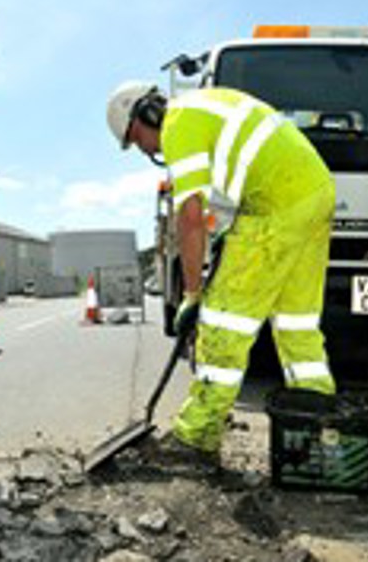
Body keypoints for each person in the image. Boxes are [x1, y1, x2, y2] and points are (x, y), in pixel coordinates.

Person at [106, 82, 337, 460]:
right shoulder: (206, 105)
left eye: (137, 139)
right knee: (297, 325)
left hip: (274, 204)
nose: (147, 150)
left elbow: (190, 217)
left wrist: (193, 294)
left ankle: (195, 438)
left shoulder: (178, 124)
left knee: (222, 323)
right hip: (315, 193)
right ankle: (318, 434)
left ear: (147, 115)